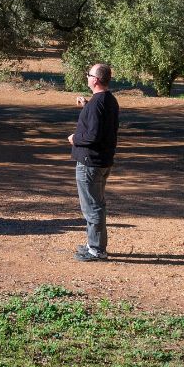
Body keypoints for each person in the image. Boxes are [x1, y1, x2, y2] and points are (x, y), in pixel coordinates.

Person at [68, 63, 119, 261]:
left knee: (92, 206)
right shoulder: (107, 100)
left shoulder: (98, 103)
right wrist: (87, 104)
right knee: (94, 204)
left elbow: (93, 135)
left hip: (91, 163)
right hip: (102, 161)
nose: (87, 77)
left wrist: (75, 139)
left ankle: (97, 250)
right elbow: (100, 121)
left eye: (89, 74)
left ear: (95, 79)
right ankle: (93, 244)